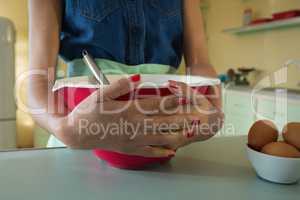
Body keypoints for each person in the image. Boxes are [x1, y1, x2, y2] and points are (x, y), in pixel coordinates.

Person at [28, 0, 223, 158]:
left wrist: (214, 110)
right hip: (83, 140)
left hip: (165, 134)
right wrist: (64, 129)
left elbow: (200, 64)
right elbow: (38, 80)